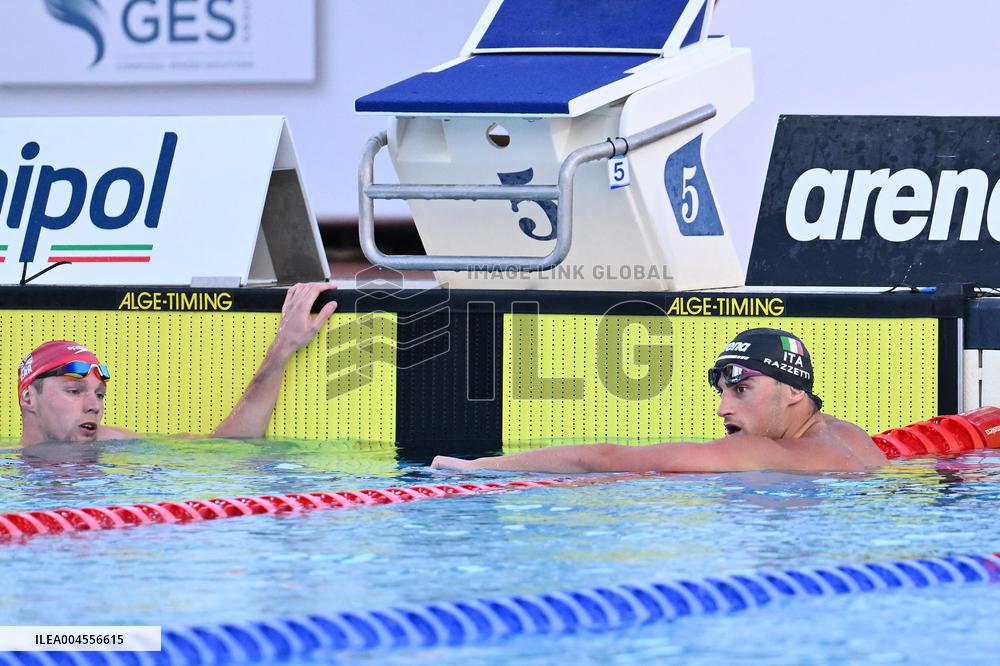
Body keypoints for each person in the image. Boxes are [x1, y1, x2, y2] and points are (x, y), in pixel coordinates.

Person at [432, 328, 887, 473]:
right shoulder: (852, 436)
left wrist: (478, 468)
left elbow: (605, 459)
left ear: (793, 391)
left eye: (742, 389)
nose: (723, 409)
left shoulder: (761, 451)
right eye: (722, 391)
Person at [17, 283, 337, 446]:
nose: (94, 406)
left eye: (100, 394)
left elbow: (229, 450)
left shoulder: (114, 447)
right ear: (29, 398)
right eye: (74, 391)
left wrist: (282, 349)